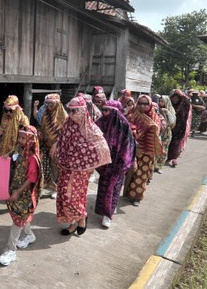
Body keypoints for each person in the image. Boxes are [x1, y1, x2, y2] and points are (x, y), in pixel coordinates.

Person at [51, 96, 111, 236]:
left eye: (74, 111)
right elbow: (62, 139)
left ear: (83, 111)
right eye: (69, 110)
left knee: (72, 197)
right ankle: (73, 222)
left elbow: (102, 147)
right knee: (64, 195)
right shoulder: (67, 124)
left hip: (81, 170)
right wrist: (57, 144)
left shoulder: (90, 128)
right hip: (66, 167)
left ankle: (82, 216)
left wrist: (83, 155)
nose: (71, 114)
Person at [0, 125, 43, 266]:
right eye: (20, 137)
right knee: (22, 217)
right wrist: (6, 157)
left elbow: (31, 179)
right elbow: (11, 157)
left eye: (24, 138)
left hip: (24, 195)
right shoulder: (18, 150)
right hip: (14, 190)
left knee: (18, 220)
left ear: (31, 140)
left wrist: (17, 192)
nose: (21, 140)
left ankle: (11, 250)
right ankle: (29, 235)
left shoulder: (32, 158)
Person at [94, 100, 136, 228]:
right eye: (103, 110)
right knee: (103, 188)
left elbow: (129, 145)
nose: (104, 113)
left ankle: (108, 214)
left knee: (113, 189)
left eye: (107, 110)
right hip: (105, 164)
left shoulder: (123, 125)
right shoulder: (101, 122)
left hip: (118, 164)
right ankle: (106, 210)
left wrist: (122, 163)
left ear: (115, 112)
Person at [124, 95, 162, 206]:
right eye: (140, 103)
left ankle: (137, 197)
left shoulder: (155, 117)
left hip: (148, 149)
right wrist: (134, 130)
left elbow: (158, 131)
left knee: (142, 174)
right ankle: (128, 193)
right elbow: (128, 127)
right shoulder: (132, 114)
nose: (142, 106)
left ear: (150, 104)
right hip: (134, 148)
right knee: (131, 172)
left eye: (145, 104)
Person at [33, 93, 68, 199]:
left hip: (59, 146)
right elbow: (38, 119)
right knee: (44, 166)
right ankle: (50, 187)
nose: (49, 106)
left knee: (57, 167)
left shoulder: (64, 117)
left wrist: (56, 144)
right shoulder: (45, 114)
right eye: (47, 104)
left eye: (51, 104)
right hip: (45, 144)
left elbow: (66, 133)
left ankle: (58, 189)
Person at [166, 89, 192, 168]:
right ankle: (168, 157)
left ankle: (174, 158)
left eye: (177, 98)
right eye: (173, 98)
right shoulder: (169, 106)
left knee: (176, 143)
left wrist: (182, 95)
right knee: (168, 143)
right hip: (169, 127)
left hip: (180, 128)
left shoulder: (183, 105)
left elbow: (187, 102)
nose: (175, 100)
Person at [155, 95, 176, 172]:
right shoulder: (156, 109)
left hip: (166, 133)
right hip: (158, 131)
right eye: (160, 101)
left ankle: (159, 166)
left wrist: (167, 113)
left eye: (162, 101)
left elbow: (172, 122)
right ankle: (153, 165)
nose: (161, 103)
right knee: (156, 148)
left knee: (164, 150)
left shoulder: (171, 110)